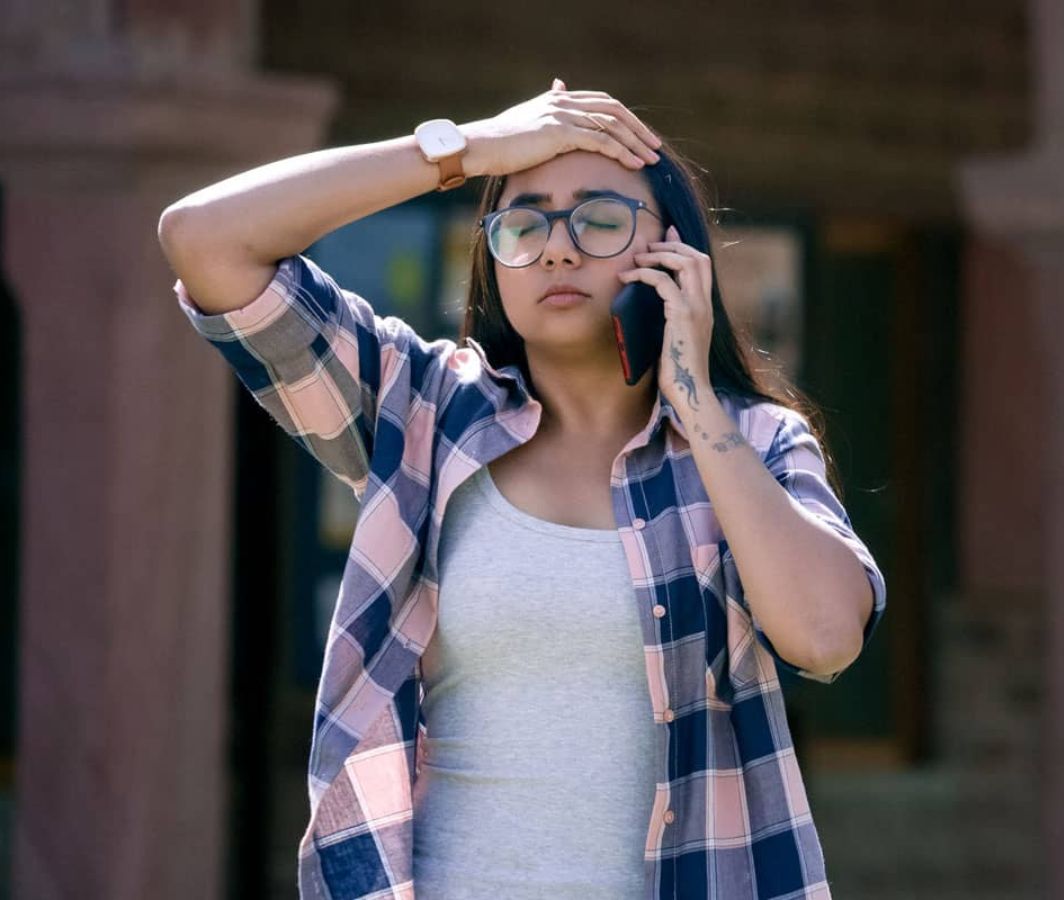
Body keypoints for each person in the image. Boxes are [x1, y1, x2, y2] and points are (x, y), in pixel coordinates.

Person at [159, 76, 887, 900]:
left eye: (601, 220)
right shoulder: (423, 412)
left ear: (674, 252)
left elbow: (825, 638)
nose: (559, 248)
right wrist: (467, 149)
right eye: (525, 222)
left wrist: (695, 401)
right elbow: (204, 239)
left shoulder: (752, 442)